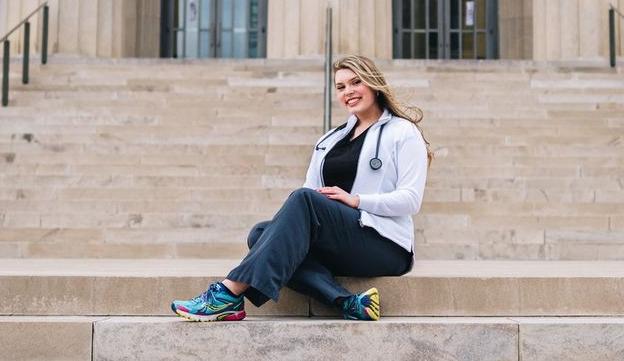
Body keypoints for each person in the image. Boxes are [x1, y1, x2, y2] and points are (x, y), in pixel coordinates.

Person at [171, 55, 433, 322]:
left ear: (373, 84)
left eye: (356, 82)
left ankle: (228, 293)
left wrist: (356, 200)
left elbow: (411, 200)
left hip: (385, 245)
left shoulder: (403, 131)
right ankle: (349, 302)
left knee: (301, 203)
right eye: (341, 87)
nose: (348, 91)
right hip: (343, 241)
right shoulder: (330, 140)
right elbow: (312, 192)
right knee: (260, 234)